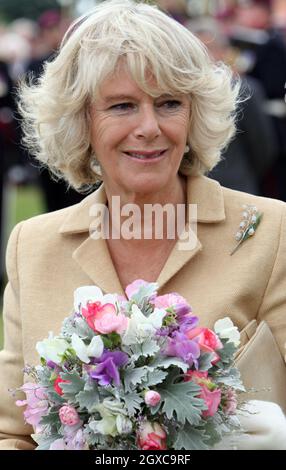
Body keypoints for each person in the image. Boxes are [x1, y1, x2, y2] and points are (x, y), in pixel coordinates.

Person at [0, 0, 285, 450]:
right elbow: (12, 433)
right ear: (82, 120)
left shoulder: (271, 231)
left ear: (194, 115)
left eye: (169, 103)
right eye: (122, 106)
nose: (149, 127)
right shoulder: (32, 246)